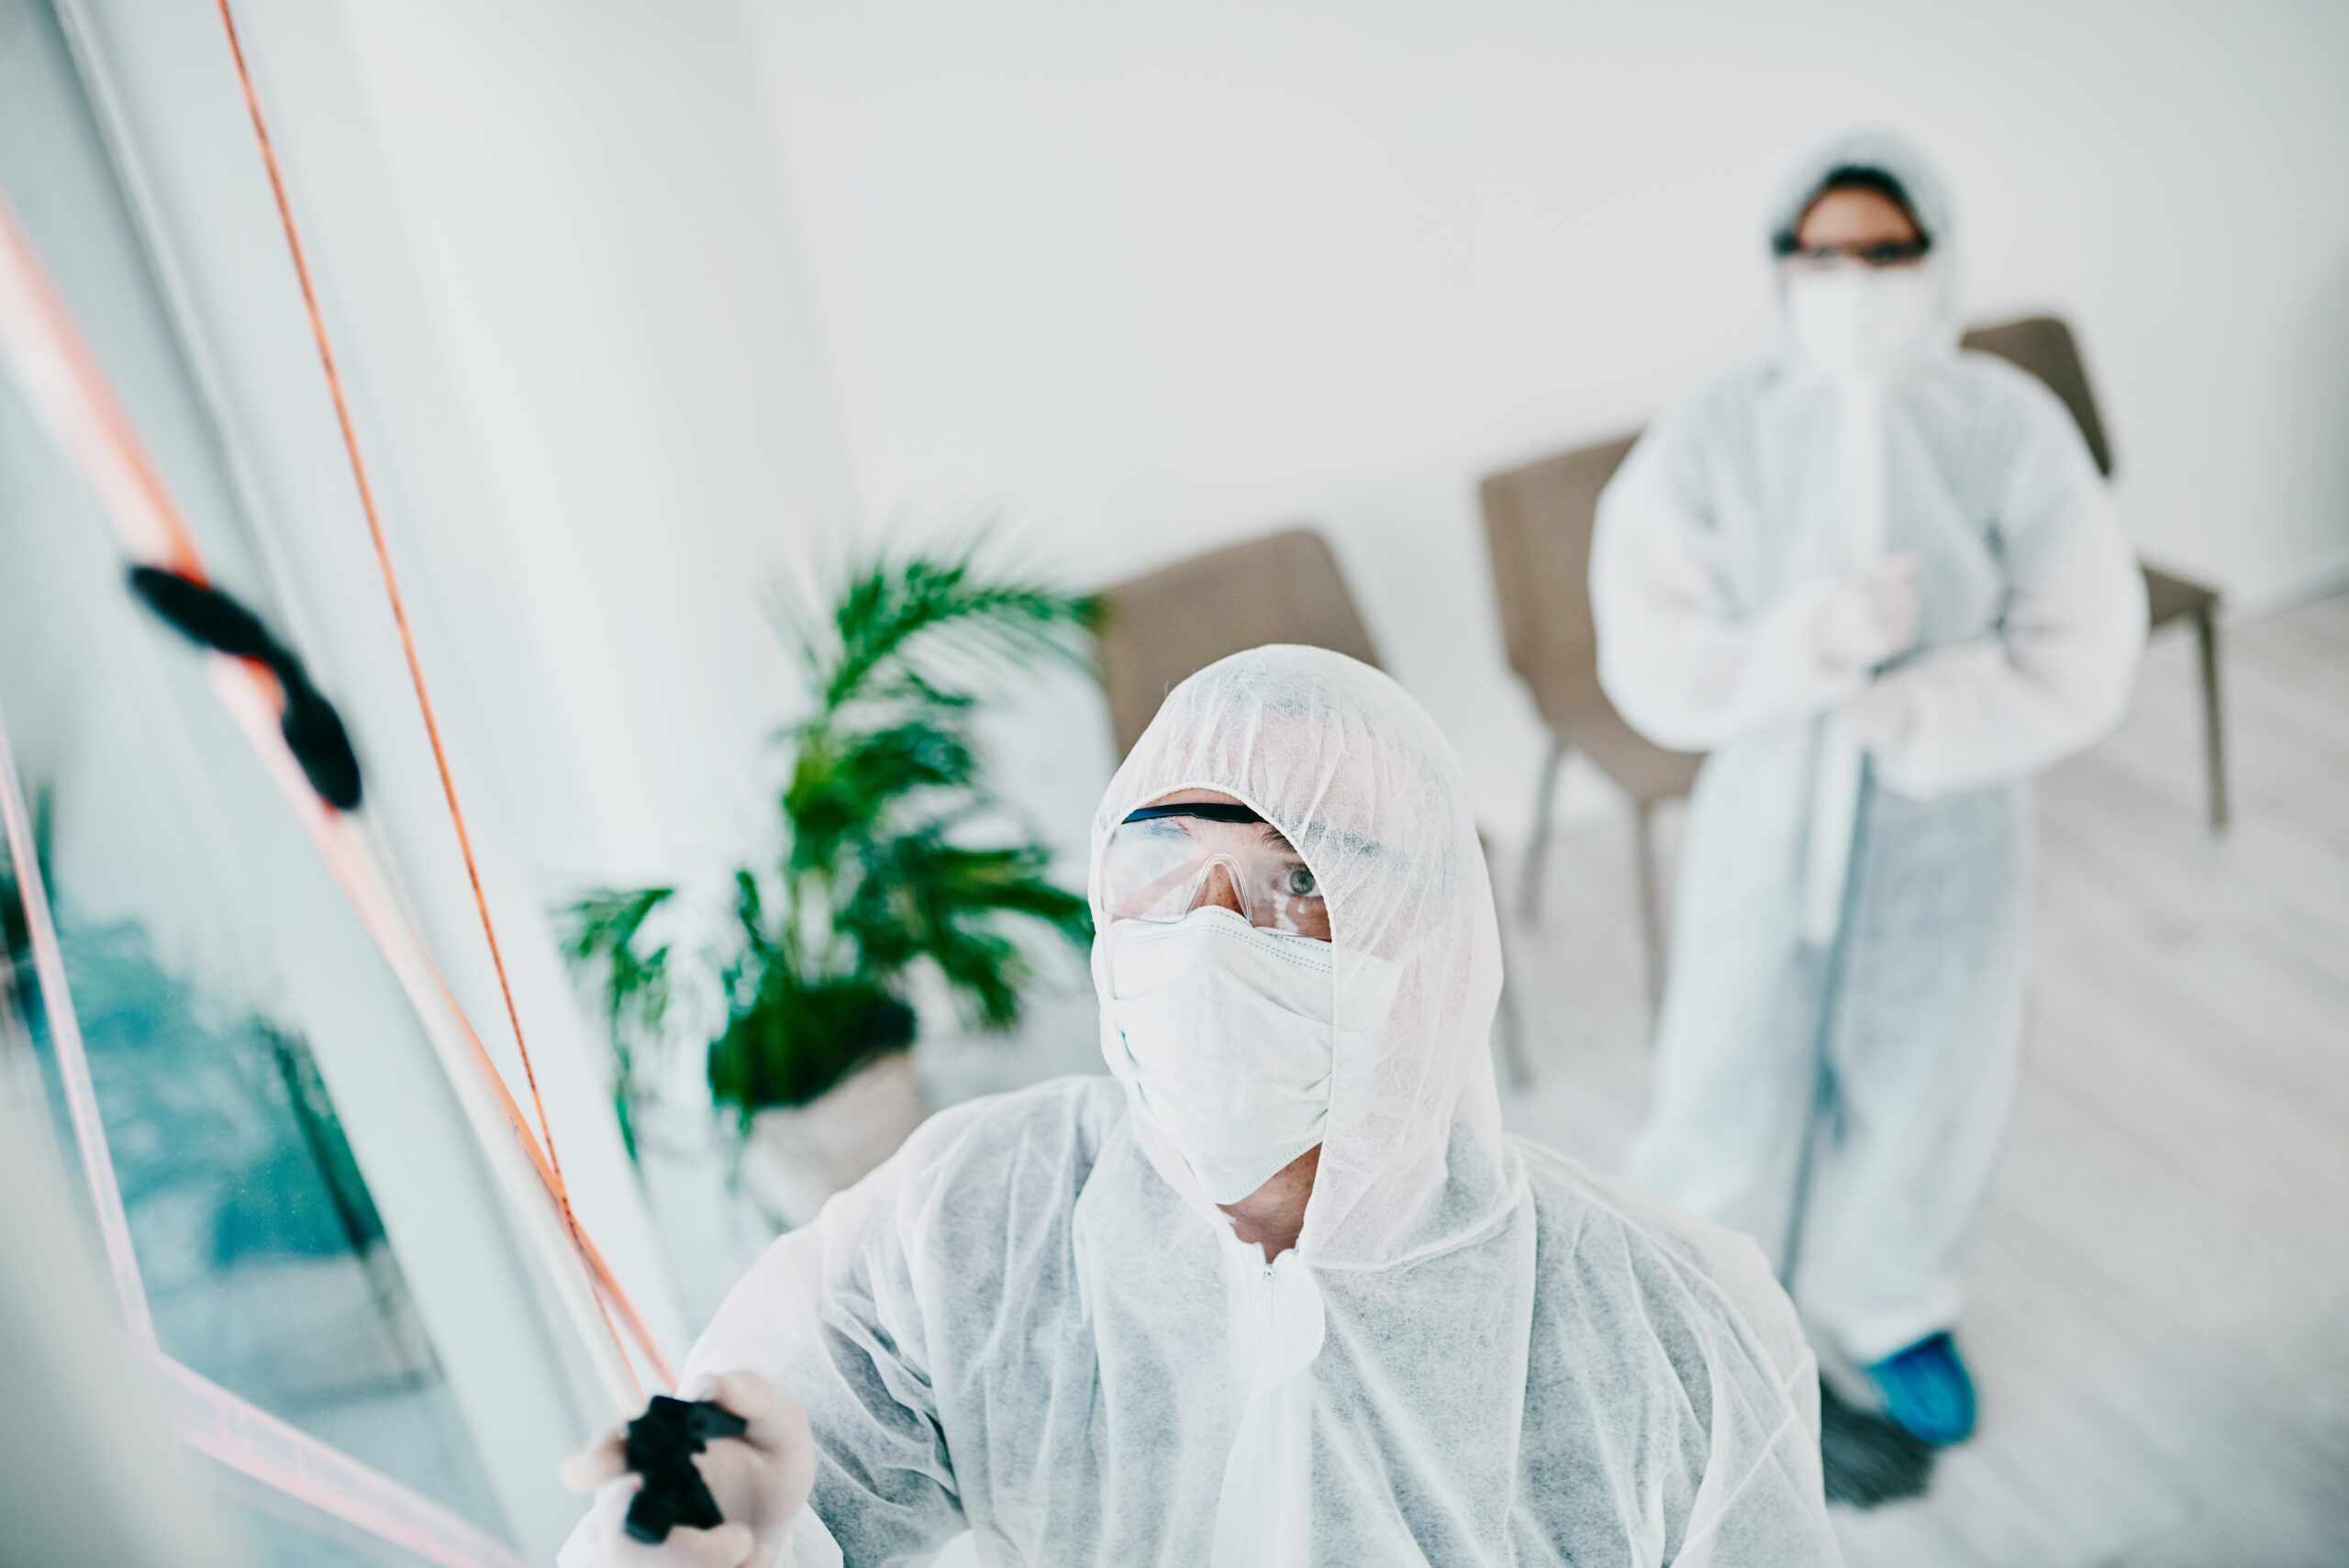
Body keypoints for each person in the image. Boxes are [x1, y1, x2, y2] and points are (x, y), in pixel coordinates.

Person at [562, 644, 1841, 1565]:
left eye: (1294, 879)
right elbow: (781, 1465)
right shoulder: (974, 1227)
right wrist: (716, 1541)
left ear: (1435, 939)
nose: (1210, 943)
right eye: (1161, 870)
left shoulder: (1667, 1335)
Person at [1590, 131, 2146, 1447]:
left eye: (1884, 253)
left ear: (1932, 259)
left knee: (1933, 1065)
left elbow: (2087, 643)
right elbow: (1650, 647)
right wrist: (1802, 647)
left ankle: (1890, 1297)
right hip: (1767, 795)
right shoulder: (1718, 428)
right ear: (1782, 267)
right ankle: (1690, 1282)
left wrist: (1928, 708)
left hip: (1948, 806)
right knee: (1723, 1052)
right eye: (1823, 254)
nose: (1854, 280)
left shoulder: (2006, 424)